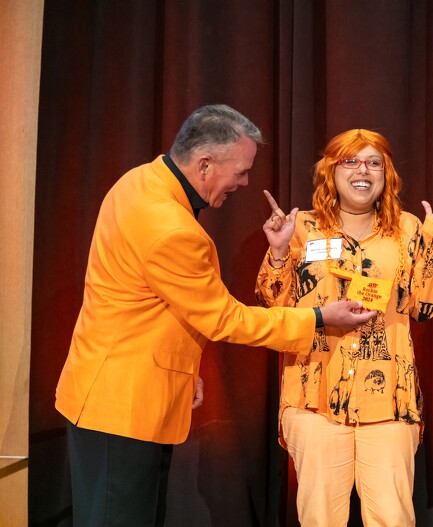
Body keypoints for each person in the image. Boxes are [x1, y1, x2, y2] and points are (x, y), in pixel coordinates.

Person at [55, 104, 376, 527]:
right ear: (204, 164)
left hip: (108, 393)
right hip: (122, 409)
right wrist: (319, 317)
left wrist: (184, 368)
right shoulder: (171, 228)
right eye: (241, 171)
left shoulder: (139, 179)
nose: (244, 182)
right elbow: (225, 318)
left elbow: (149, 300)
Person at [255, 128, 433, 526]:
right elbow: (274, 310)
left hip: (389, 402)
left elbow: (426, 307)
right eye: (350, 161)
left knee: (392, 518)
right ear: (331, 171)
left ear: (386, 173)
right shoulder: (300, 228)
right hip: (313, 398)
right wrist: (278, 252)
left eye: (374, 162)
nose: (362, 170)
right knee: (319, 519)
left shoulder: (408, 229)